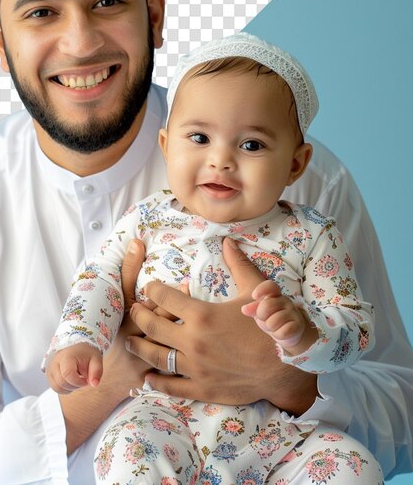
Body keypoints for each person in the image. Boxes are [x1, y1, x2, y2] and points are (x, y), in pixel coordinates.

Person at [0, 0, 413, 484]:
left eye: (108, 2)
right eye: (41, 12)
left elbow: (402, 411)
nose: (80, 42)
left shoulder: (303, 180)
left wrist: (284, 377)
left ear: (155, 15)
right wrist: (111, 379)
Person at [44, 33, 380, 484]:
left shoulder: (313, 234)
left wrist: (306, 335)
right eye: (199, 137)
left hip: (279, 431)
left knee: (352, 466)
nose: (221, 159)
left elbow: (356, 326)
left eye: (252, 145)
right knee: (127, 450)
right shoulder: (148, 220)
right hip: (164, 416)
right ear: (167, 145)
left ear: (296, 164)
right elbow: (100, 278)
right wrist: (80, 339)